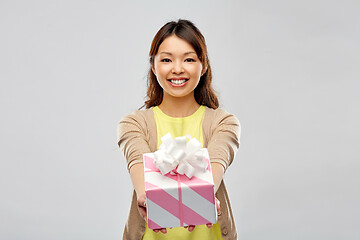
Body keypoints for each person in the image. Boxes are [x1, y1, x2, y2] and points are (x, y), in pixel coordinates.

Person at [117, 19, 241, 240]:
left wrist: (196, 198)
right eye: (166, 59)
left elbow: (216, 164)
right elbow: (139, 168)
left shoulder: (224, 122)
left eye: (189, 59)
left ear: (203, 66)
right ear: (153, 65)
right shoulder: (133, 124)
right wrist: (148, 197)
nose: (177, 69)